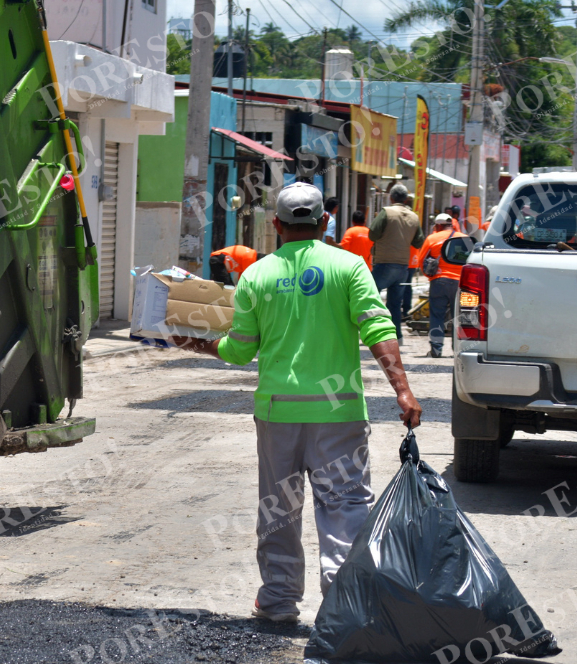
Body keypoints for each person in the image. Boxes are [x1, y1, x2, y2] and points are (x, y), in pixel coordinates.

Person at [167, 182, 423, 623]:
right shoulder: (349, 266)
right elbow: (378, 328)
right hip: (338, 413)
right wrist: (402, 389)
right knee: (344, 506)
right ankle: (344, 606)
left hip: (278, 414)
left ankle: (278, 599)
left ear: (277, 225)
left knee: (279, 510)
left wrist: (195, 342)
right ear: (325, 222)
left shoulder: (257, 275)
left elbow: (238, 351)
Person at [369, 184, 425, 347]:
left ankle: (370, 333)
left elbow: (372, 233)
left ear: (391, 197)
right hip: (403, 267)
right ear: (406, 199)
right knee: (395, 304)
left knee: (369, 296)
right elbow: (419, 241)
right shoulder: (413, 217)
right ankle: (397, 337)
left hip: (384, 263)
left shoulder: (386, 212)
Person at [416, 213, 464, 358]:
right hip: (460, 283)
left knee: (437, 315)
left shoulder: (432, 238)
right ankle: (458, 350)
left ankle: (436, 349)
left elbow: (421, 260)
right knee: (459, 316)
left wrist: (431, 276)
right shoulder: (464, 238)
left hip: (439, 281)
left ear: (437, 225)